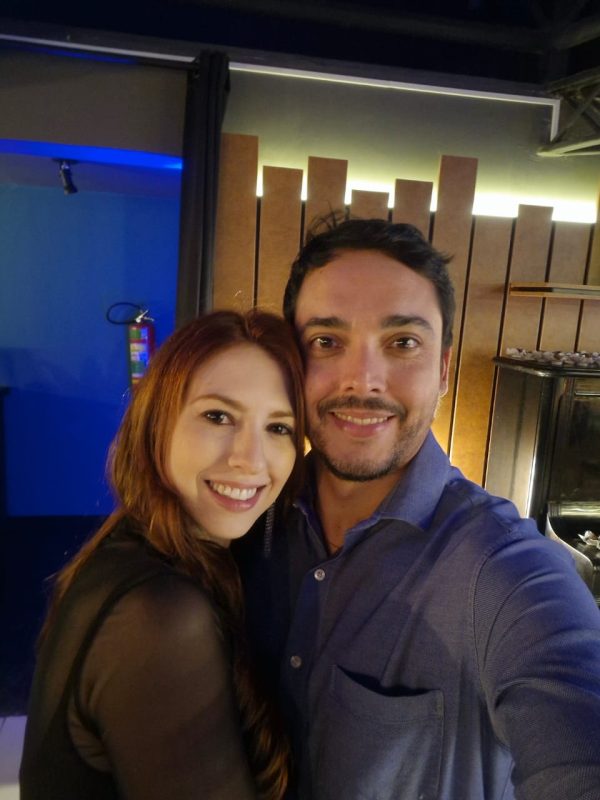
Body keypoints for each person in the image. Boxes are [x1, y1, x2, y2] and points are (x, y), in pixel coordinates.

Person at [235, 216, 600, 800]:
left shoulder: (502, 570)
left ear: (444, 370)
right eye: (327, 342)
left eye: (402, 343)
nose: (363, 381)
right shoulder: (251, 517)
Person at [20, 309, 306, 800]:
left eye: (278, 428)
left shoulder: (141, 545)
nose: (250, 459)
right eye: (218, 416)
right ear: (158, 424)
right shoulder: (160, 615)